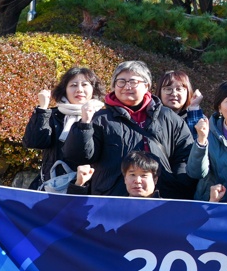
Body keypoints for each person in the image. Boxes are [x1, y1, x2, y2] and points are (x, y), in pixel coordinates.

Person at [64, 60, 207, 197]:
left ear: (147, 86)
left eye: (133, 81)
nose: (127, 86)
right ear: (114, 86)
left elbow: (184, 156)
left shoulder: (168, 117)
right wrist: (84, 126)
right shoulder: (101, 118)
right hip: (113, 198)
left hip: (161, 198)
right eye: (121, 82)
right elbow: (79, 157)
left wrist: (176, 184)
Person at [23, 66, 101, 188]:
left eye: (85, 84)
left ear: (94, 90)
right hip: (53, 185)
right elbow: (34, 142)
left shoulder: (102, 117)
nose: (79, 90)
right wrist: (43, 108)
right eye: (73, 85)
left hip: (89, 187)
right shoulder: (54, 115)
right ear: (64, 90)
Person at [158, 69, 204, 135]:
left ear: (188, 92)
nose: (174, 93)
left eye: (179, 89)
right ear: (160, 92)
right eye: (168, 89)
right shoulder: (150, 116)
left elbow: (196, 141)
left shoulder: (198, 118)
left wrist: (194, 107)